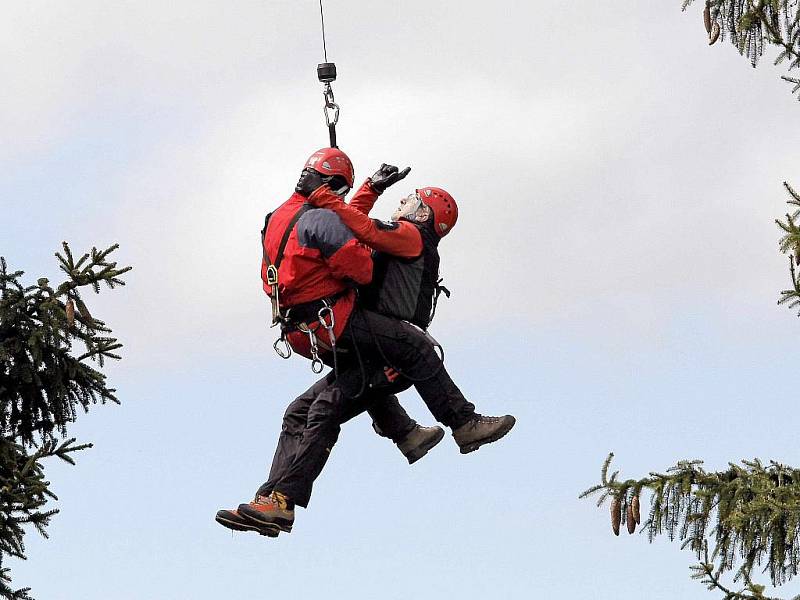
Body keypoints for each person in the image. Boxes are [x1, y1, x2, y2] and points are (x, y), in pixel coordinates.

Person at [216, 149, 515, 537]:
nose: (402, 201)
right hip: (368, 343)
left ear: (423, 214)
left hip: (375, 344)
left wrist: (328, 197)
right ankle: (277, 497)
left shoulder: (407, 234)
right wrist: (364, 191)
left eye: (411, 199)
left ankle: (458, 423)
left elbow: (359, 232)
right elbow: (349, 224)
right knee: (301, 410)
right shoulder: (374, 228)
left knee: (333, 403)